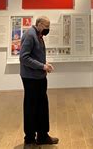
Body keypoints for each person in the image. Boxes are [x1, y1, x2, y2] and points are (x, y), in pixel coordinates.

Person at [19, 16, 58, 146]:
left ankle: (42, 135)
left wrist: (44, 63)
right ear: (39, 24)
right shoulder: (30, 35)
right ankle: (29, 138)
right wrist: (42, 66)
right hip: (30, 78)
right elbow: (24, 58)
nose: (48, 29)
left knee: (42, 106)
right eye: (46, 26)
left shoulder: (38, 35)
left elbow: (35, 55)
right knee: (31, 107)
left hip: (39, 77)